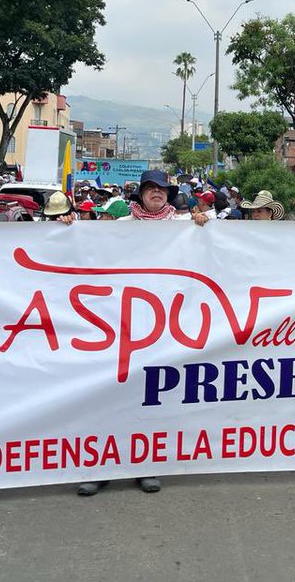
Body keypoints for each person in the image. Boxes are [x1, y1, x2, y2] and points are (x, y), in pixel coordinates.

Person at [73, 169, 208, 496]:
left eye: (161, 188)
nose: (156, 193)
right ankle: (99, 467)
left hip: (163, 327)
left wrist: (206, 227)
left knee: (152, 399)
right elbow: (85, 246)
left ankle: (146, 466)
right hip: (118, 324)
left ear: (168, 193)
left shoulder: (183, 227)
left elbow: (210, 254)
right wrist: (69, 227)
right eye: (150, 188)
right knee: (108, 396)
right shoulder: (120, 227)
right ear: (141, 195)